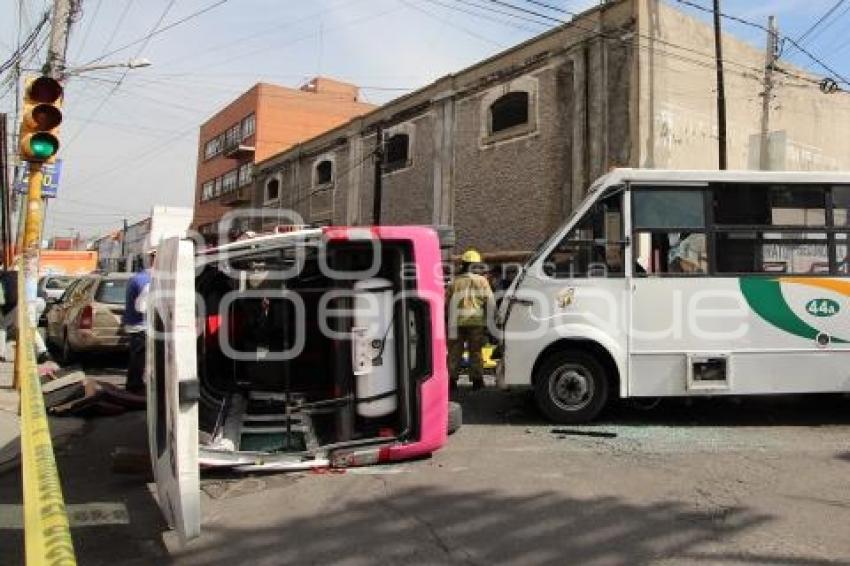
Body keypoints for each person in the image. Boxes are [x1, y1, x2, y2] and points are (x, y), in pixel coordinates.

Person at [447, 249, 495, 391]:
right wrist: (493, 321)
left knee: (454, 352)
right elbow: (490, 302)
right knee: (475, 352)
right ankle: (477, 382)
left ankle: (451, 381)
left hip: (456, 323)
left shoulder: (455, 282)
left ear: (464, 264)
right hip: (476, 323)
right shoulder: (482, 281)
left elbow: (447, 302)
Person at [122, 250, 155, 394]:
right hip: (141, 326)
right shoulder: (147, 281)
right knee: (139, 359)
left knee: (137, 357)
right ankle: (135, 387)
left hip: (134, 325)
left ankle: (133, 384)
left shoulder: (137, 278)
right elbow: (142, 307)